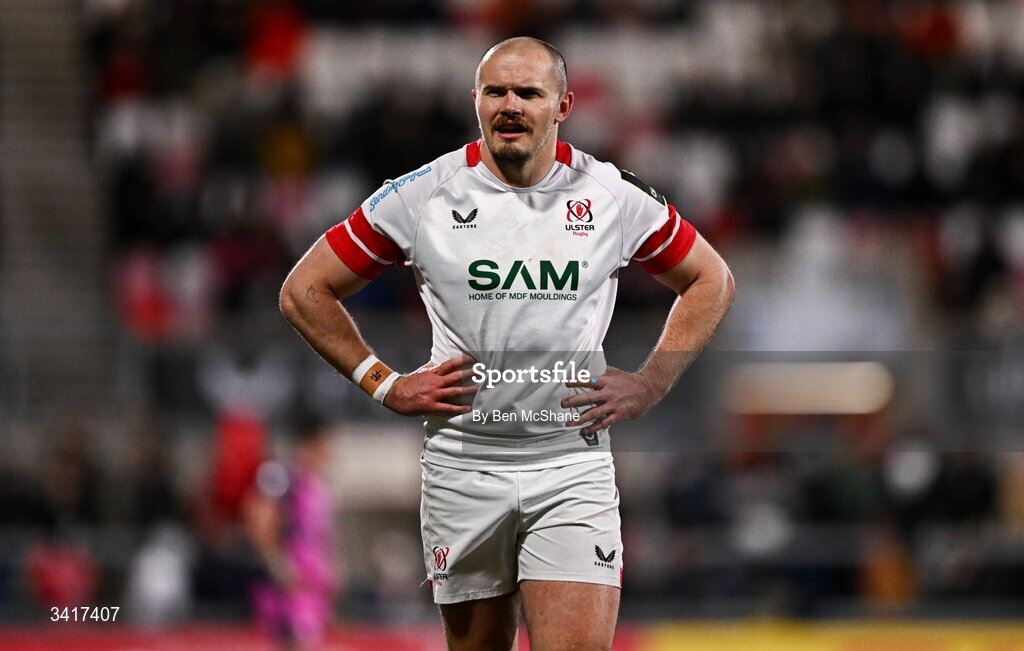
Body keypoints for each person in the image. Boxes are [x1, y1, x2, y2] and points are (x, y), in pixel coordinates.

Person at [280, 37, 734, 650]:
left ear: (563, 105)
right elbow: (304, 290)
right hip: (462, 464)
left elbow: (711, 279)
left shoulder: (608, 195)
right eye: (496, 92)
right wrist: (383, 381)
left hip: (570, 462)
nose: (510, 105)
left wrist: (652, 381)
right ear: (476, 101)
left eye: (528, 92)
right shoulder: (425, 194)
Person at [244, 419, 339, 649]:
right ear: (311, 443)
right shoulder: (283, 475)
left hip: (313, 587)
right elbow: (258, 515)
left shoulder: (318, 484)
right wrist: (277, 563)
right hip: (289, 588)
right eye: (325, 445)